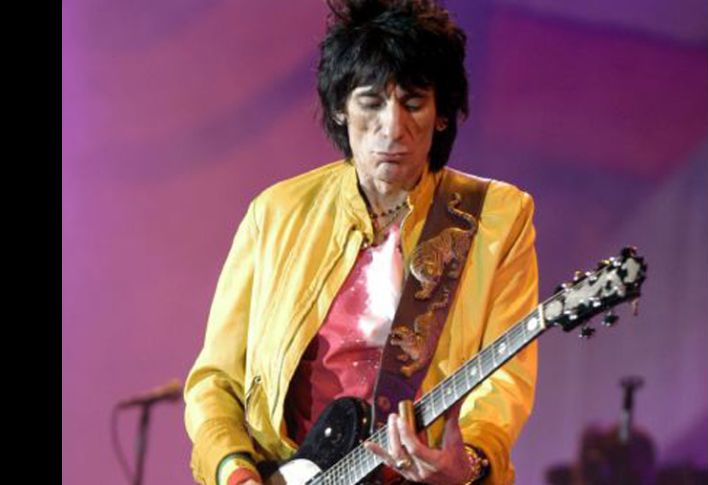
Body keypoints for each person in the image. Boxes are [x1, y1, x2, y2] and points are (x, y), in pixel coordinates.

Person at [184, 1, 539, 484]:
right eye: (371, 103)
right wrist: (235, 471)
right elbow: (216, 380)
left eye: (413, 103)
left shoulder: (495, 216)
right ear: (340, 109)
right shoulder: (277, 214)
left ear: (441, 115)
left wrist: (470, 463)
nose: (392, 128)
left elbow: (506, 378)